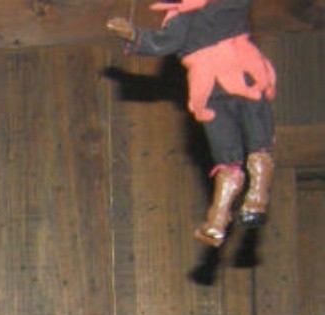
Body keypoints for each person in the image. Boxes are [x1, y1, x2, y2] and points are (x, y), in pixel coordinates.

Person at [107, 0, 276, 247]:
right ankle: (217, 221)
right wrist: (133, 34)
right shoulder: (179, 19)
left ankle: (257, 199)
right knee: (226, 157)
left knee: (258, 141)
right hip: (208, 91)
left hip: (243, 73)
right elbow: (163, 42)